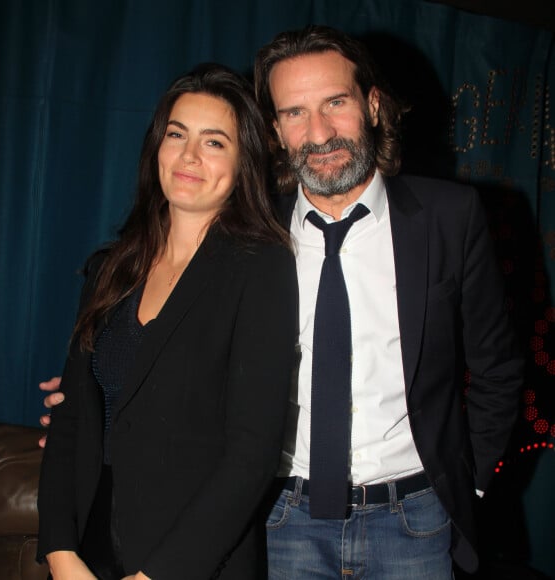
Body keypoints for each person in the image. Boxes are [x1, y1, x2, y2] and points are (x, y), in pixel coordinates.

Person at [41, 25, 525, 579]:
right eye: (294, 112)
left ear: (371, 104)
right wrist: (100, 397)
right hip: (282, 519)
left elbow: (498, 369)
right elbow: (163, 337)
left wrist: (472, 481)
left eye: (335, 103)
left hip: (414, 518)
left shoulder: (450, 218)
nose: (318, 132)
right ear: (273, 130)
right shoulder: (250, 234)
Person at [36, 63, 298, 580]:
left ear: (245, 160)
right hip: (89, 548)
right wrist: (62, 553)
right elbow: (71, 420)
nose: (189, 156)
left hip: (193, 560)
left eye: (215, 142)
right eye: (176, 135)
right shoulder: (109, 269)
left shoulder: (262, 267)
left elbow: (252, 454)